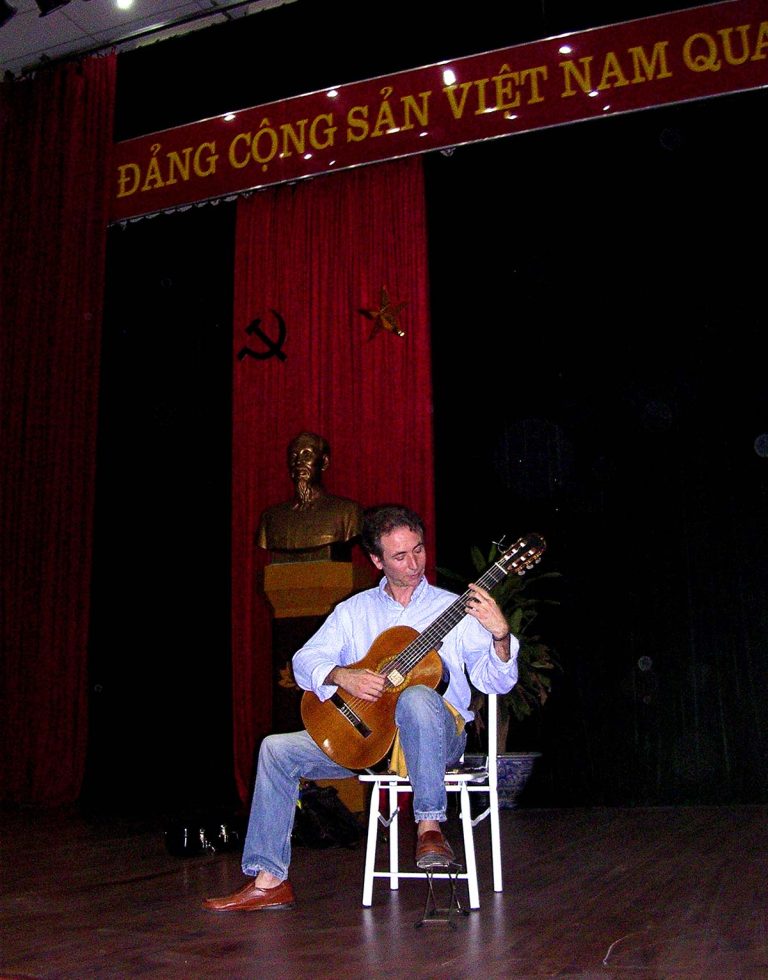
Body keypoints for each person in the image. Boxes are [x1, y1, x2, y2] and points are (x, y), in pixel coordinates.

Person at [203, 504, 518, 913]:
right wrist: (340, 675)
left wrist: (500, 635)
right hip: (372, 740)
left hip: (438, 739)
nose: (415, 563)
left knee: (417, 697)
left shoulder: (455, 609)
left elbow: (498, 681)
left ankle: (429, 826)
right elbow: (304, 662)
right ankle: (270, 880)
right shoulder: (354, 612)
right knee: (276, 750)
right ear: (376, 560)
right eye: (400, 556)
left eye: (419, 550)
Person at [256, 431, 363, 563]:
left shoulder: (348, 512)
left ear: (324, 462)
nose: (298, 462)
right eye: (293, 456)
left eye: (307, 455)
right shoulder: (271, 517)